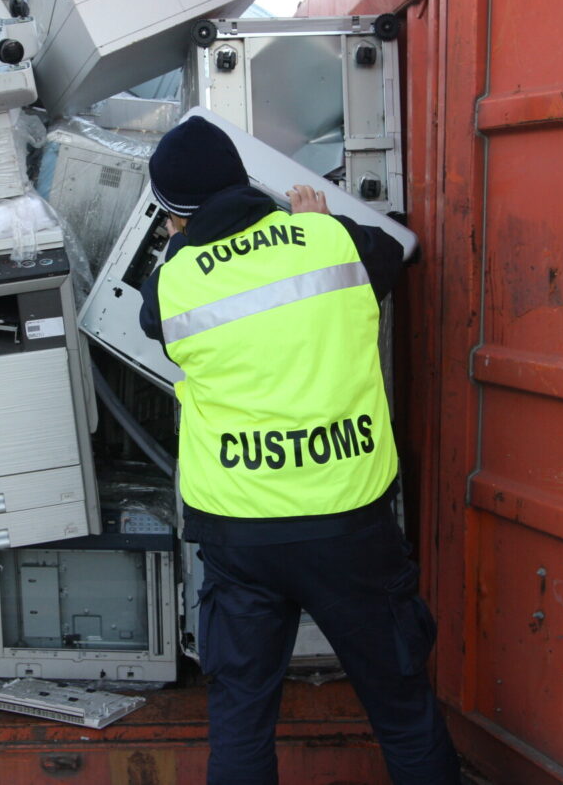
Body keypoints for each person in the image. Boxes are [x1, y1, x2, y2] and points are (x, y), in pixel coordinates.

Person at [137, 116, 460, 785]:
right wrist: (312, 219)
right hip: (350, 528)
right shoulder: (329, 240)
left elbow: (153, 314)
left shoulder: (174, 285)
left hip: (241, 539)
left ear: (173, 218)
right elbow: (395, 255)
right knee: (403, 712)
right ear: (245, 178)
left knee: (241, 725)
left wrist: (182, 245)